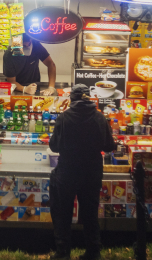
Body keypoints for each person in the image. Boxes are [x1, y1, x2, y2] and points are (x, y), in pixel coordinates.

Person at [49, 84, 117, 260]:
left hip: (67, 171)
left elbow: (54, 146)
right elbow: (109, 146)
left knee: (62, 213)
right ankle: (93, 252)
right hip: (92, 172)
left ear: (71, 99)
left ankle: (63, 253)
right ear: (89, 98)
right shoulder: (100, 118)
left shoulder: (64, 118)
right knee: (90, 213)